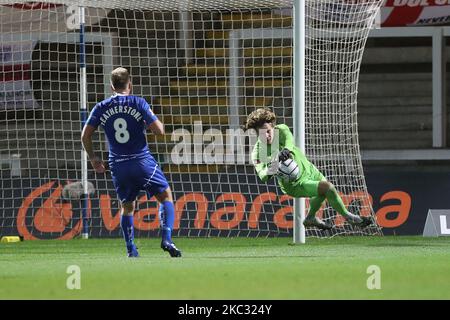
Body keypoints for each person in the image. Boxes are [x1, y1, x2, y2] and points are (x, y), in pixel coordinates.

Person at [81, 67, 181, 258]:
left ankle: (131, 249)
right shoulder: (138, 102)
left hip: (118, 165)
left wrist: (94, 159)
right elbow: (159, 131)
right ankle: (167, 239)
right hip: (142, 162)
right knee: (165, 196)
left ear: (111, 86)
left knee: (127, 206)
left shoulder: (101, 107)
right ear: (130, 85)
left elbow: (85, 135)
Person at [245, 107, 372, 230]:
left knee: (323, 192)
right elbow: (262, 175)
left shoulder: (281, 130)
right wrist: (274, 164)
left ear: (273, 126)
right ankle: (349, 217)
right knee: (327, 188)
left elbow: (289, 141)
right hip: (295, 183)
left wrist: (286, 150)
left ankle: (310, 218)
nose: (266, 135)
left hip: (310, 170)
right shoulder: (258, 151)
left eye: (268, 131)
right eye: (261, 133)